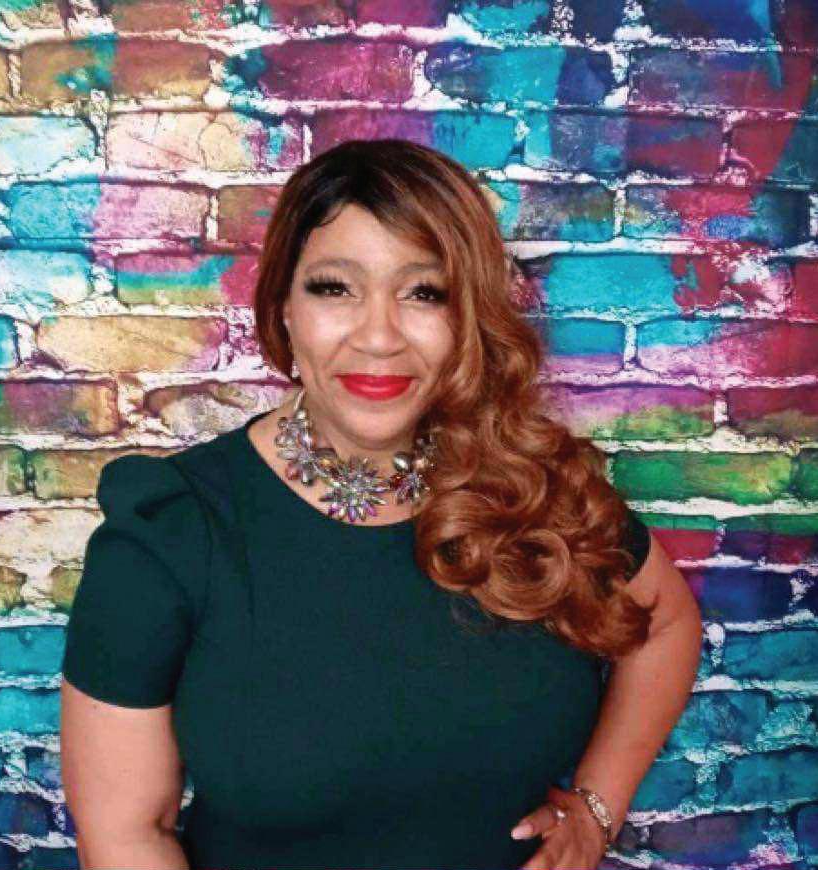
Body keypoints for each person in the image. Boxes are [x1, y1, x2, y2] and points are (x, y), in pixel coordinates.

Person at [59, 138, 703, 870]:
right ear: (284, 308)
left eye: (425, 293)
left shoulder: (531, 488)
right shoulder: (172, 532)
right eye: (334, 288)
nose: (378, 336)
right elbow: (125, 834)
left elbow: (667, 624)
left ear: (469, 317)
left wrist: (595, 809)